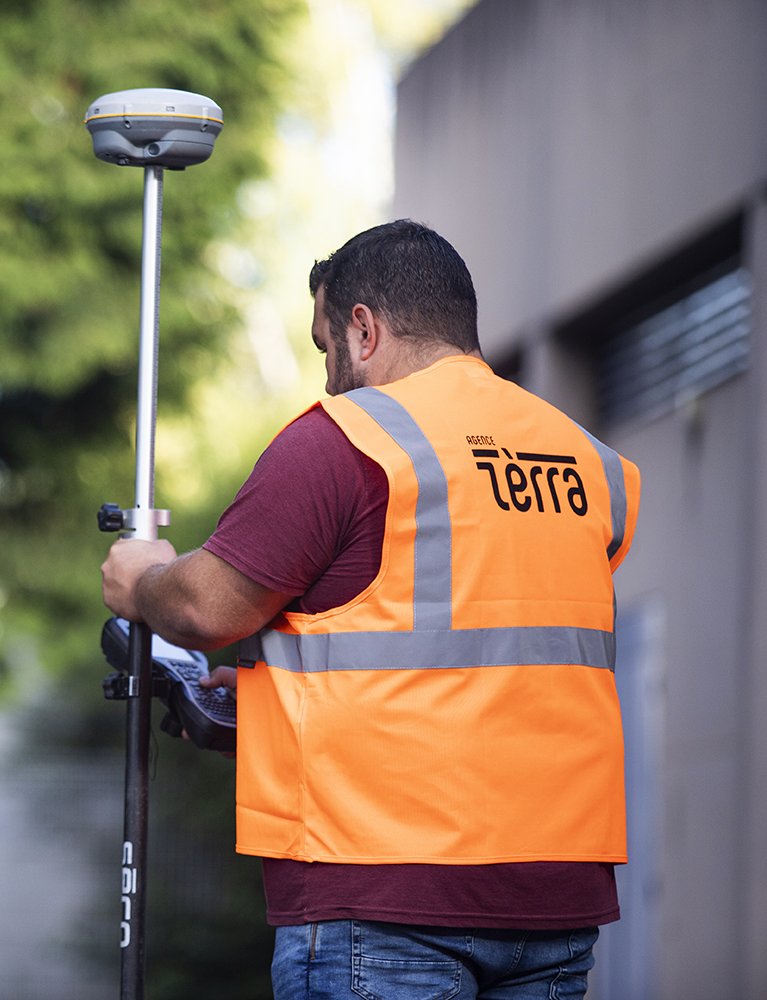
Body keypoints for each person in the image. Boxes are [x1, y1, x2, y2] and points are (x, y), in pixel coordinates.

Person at [101, 220, 640, 1000]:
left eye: (326, 349)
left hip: (381, 904)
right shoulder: (586, 461)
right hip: (552, 907)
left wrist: (142, 580)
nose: (328, 380)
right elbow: (486, 673)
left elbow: (206, 609)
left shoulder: (347, 442)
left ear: (364, 328)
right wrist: (276, 712)